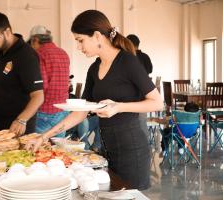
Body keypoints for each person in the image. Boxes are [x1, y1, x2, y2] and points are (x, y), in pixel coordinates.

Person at [27, 10, 163, 190]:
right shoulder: (94, 68)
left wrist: (118, 107)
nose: (78, 46)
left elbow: (157, 102)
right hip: (106, 150)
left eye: (80, 40)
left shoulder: (127, 62)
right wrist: (44, 136)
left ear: (97, 36)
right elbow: (81, 112)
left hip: (132, 150)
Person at [0, 12, 44, 135]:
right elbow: (1, 84)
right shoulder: (0, 51)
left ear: (7, 32)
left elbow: (38, 96)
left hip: (18, 128)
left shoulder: (26, 55)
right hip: (0, 125)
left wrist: (21, 120)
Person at [29, 25, 70, 138]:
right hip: (62, 110)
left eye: (31, 43)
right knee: (59, 149)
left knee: (38, 148)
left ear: (35, 40)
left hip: (45, 110)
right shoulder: (63, 53)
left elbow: (42, 85)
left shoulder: (39, 54)